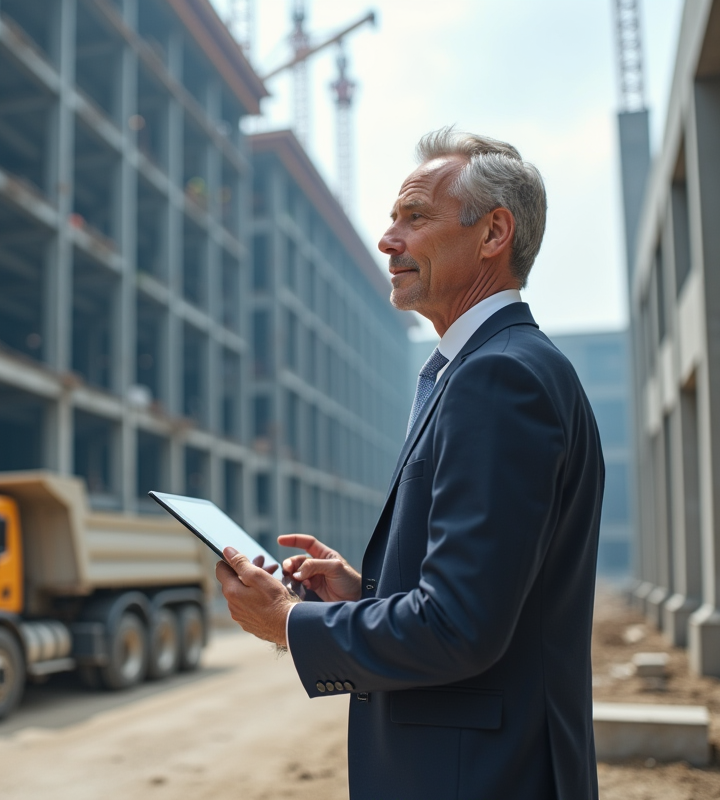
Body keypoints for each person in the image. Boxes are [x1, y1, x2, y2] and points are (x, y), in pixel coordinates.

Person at [216, 127, 603, 799]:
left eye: (414, 217)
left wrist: (288, 619)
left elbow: (459, 628)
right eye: (393, 219)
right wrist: (365, 592)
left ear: (493, 234)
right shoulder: (496, 369)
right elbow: (491, 605)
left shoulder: (497, 379)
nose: (387, 240)